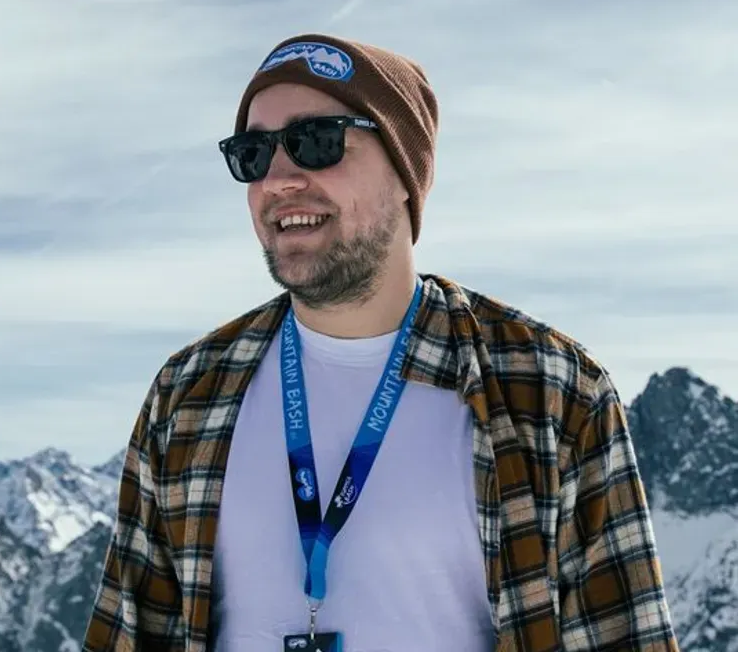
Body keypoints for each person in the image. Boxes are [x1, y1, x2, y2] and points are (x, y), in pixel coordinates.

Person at [82, 33, 679, 652]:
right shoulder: (188, 393)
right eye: (253, 155)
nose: (279, 180)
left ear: (403, 171)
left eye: (316, 141)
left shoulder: (550, 387)